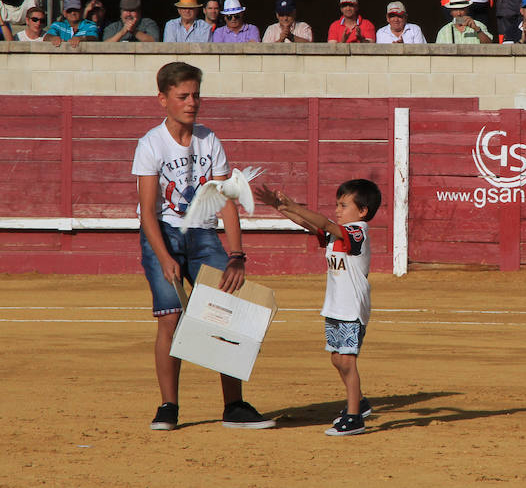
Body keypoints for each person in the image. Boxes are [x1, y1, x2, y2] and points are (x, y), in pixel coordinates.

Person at [132, 62, 275, 431]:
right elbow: (148, 213)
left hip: (203, 234)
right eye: (183, 96)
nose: (192, 102)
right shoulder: (150, 144)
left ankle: (234, 406)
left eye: (196, 94)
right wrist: (164, 257)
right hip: (163, 234)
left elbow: (227, 200)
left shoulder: (210, 140)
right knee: (170, 318)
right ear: (163, 99)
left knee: (225, 309)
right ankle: (168, 406)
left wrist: (237, 255)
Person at [254, 179, 382, 436]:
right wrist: (280, 207)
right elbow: (310, 224)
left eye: (343, 205)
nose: (337, 210)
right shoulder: (339, 235)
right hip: (335, 306)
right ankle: (359, 401)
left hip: (352, 308)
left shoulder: (358, 231)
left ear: (363, 211)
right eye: (337, 205)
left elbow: (322, 223)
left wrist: (294, 204)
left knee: (347, 359)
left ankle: (355, 416)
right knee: (337, 359)